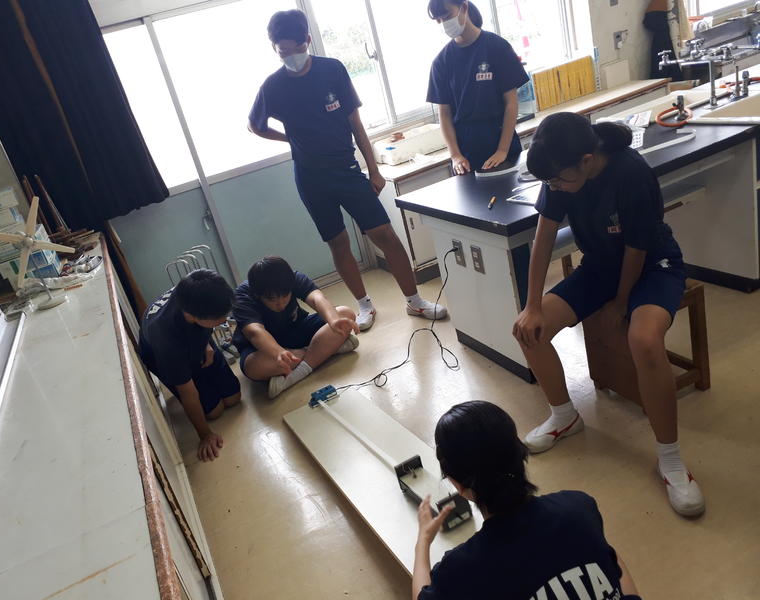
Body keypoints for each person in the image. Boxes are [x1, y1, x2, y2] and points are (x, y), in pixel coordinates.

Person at [511, 112, 705, 517]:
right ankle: (564, 416)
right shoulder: (560, 171)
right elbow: (543, 235)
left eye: (559, 180)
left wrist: (620, 304)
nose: (555, 187)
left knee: (643, 339)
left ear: (586, 160)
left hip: (653, 264)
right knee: (529, 329)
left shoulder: (631, 173)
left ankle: (670, 460)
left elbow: (637, 249)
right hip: (599, 267)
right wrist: (532, 305)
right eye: (550, 183)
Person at [248, 9, 447, 331]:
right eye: (282, 52)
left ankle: (414, 301)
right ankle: (364, 305)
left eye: (296, 49)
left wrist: (374, 170)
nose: (290, 56)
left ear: (307, 40)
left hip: (347, 169)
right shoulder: (273, 86)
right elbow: (255, 125)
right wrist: (290, 138)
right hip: (310, 177)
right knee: (338, 243)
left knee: (385, 235)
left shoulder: (332, 70)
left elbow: (356, 123)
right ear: (275, 49)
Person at [413, 401, 642, 600]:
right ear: (520, 452)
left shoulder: (461, 569)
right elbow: (614, 566)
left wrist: (423, 541)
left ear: (458, 485)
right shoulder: (580, 507)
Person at [139, 270, 241, 462]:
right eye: (218, 318)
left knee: (233, 398)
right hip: (163, 355)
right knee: (215, 411)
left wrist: (206, 343)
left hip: (195, 336)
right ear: (194, 316)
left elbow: (208, 320)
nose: (224, 320)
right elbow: (187, 390)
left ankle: (203, 365)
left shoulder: (197, 290)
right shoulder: (164, 335)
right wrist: (205, 435)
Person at [233, 256, 360, 398]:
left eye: (285, 296)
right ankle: (325, 350)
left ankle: (297, 373)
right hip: (264, 348)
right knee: (253, 368)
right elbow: (255, 332)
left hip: (296, 330)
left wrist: (333, 320)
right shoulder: (243, 295)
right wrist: (279, 352)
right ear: (258, 294)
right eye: (272, 299)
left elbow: (317, 298)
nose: (280, 304)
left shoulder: (290, 278)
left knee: (345, 314)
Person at [427, 0, 529, 175]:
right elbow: (444, 114)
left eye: (447, 16)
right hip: (466, 156)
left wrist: (502, 150)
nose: (444, 23)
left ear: (464, 7)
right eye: (439, 20)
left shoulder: (497, 47)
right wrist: (455, 155)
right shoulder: (441, 62)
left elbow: (511, 103)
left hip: (503, 146)